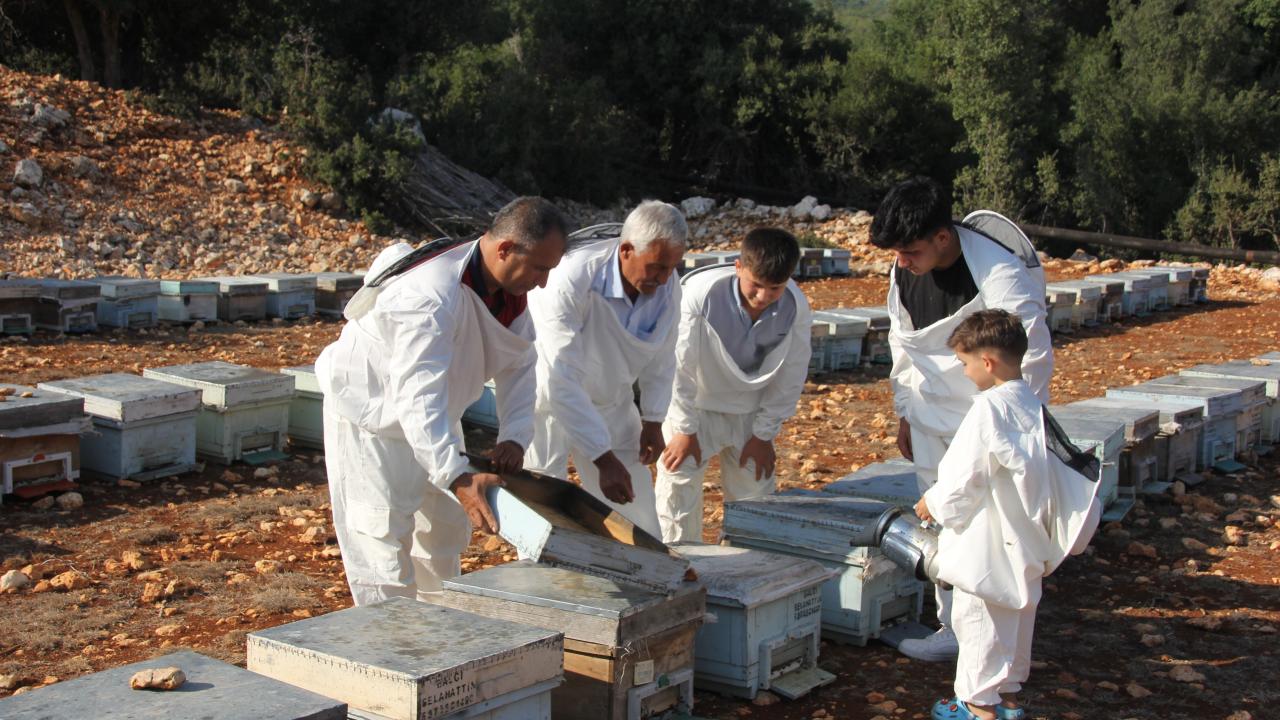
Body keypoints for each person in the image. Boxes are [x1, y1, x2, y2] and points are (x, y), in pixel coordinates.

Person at [315, 197, 568, 605]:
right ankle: (392, 652)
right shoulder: (429, 296)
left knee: (443, 533)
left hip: (437, 414)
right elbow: (417, 391)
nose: (543, 283)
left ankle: (439, 640)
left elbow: (521, 363)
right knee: (383, 541)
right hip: (374, 418)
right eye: (540, 268)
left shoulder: (507, 292)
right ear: (504, 250)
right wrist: (456, 474)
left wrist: (516, 436)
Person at [872, 176, 1054, 661]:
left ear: (942, 238)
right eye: (896, 252)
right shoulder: (902, 269)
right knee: (944, 525)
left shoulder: (1000, 275)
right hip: (931, 413)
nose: (901, 261)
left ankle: (998, 637)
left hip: (991, 423)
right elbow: (903, 342)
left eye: (909, 251)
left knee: (993, 527)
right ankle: (951, 626)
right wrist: (905, 410)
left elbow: (1029, 362)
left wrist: (1012, 444)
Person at [914, 309, 1100, 720]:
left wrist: (934, 501)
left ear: (987, 362)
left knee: (977, 619)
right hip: (1025, 536)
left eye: (964, 363)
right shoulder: (1030, 403)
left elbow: (965, 477)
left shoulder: (988, 410)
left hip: (988, 541)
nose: (963, 373)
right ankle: (1009, 700)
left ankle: (978, 708)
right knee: (1017, 623)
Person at [524, 200, 687, 538]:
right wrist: (601, 458)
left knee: (635, 502)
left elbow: (663, 356)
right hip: (545, 401)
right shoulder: (571, 277)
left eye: (671, 267)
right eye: (656, 267)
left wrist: (654, 419)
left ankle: (650, 575)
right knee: (542, 503)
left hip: (612, 399)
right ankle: (546, 580)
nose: (664, 278)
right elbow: (561, 378)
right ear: (626, 250)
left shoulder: (667, 285)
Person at [655, 227, 812, 543]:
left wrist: (764, 433)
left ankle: (748, 569)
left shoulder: (796, 306)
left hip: (750, 412)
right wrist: (684, 430)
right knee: (677, 491)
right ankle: (680, 566)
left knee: (754, 496)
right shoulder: (699, 294)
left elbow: (792, 373)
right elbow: (678, 367)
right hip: (694, 406)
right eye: (756, 285)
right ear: (738, 267)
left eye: (776, 288)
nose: (764, 297)